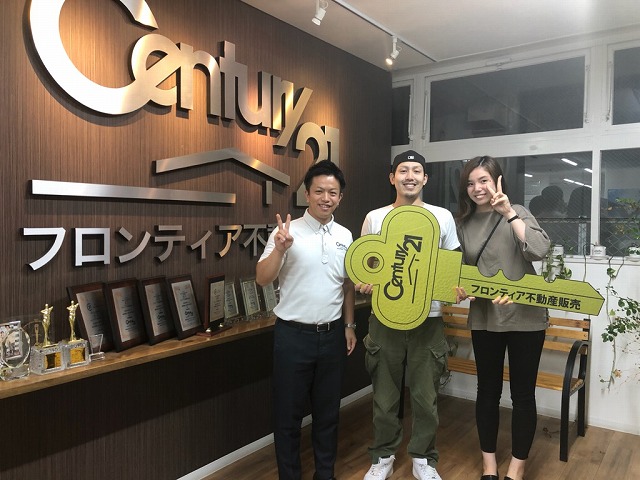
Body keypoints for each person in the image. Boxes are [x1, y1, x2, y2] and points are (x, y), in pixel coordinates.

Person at [359, 150, 459, 480]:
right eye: (403, 170)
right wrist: (364, 280)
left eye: (417, 171)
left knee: (426, 397)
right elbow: (366, 262)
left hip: (428, 319)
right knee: (384, 397)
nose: (410, 176)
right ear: (392, 178)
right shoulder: (375, 218)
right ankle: (383, 456)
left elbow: (451, 265)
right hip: (384, 318)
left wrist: (455, 288)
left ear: (425, 178)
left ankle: (423, 458)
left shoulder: (442, 217)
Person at [256, 159, 357, 480]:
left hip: (332, 336)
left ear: (340, 197)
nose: (326, 198)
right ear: (307, 194)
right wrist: (279, 250)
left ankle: (324, 474)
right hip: (292, 337)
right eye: (319, 191)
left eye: (333, 192)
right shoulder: (287, 232)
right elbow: (262, 278)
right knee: (288, 417)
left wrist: (349, 326)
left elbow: (347, 285)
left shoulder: (345, 235)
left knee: (328, 415)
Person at [454, 156, 550, 480]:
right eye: (470, 183)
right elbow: (462, 271)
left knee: (522, 395)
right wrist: (462, 289)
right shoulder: (463, 223)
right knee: (487, 392)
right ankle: (489, 466)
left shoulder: (517, 211)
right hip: (485, 318)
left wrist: (508, 212)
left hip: (526, 318)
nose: (477, 188)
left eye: (483, 180)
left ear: (497, 181)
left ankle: (516, 470)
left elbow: (539, 249)